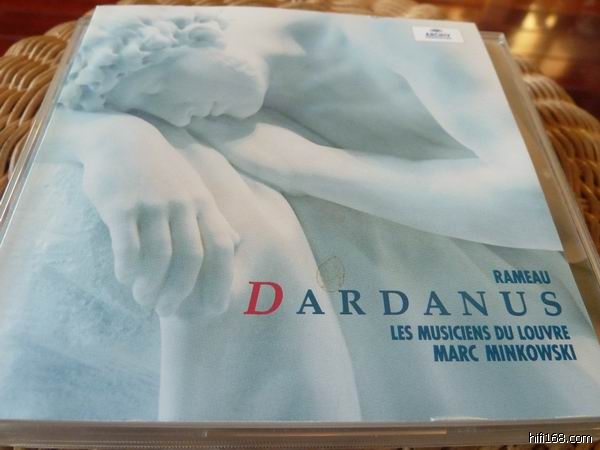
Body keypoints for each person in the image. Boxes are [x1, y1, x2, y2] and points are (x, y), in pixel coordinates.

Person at [2, 6, 600, 422]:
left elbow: (539, 212)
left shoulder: (412, 48)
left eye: (157, 94)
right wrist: (113, 141)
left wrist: (307, 166)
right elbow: (54, 120)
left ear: (173, 38)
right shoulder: (229, 105)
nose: (177, 120)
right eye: (152, 115)